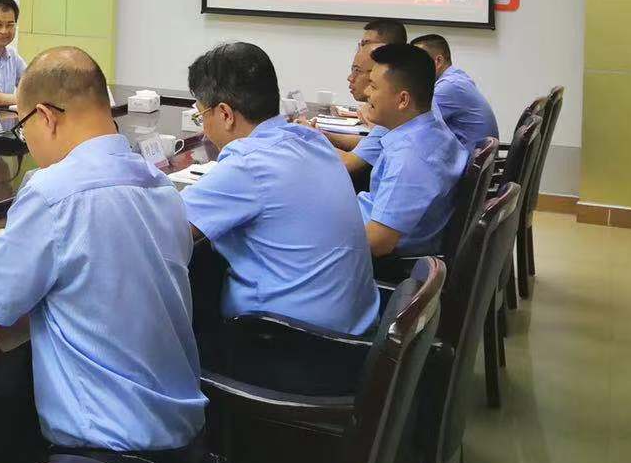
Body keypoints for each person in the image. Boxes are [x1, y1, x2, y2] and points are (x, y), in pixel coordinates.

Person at [0, 48, 218, 463]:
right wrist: (19, 241)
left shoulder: (53, 192)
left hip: (104, 455)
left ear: (45, 116)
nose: (27, 140)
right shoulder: (159, 185)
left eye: (23, 127)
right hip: (184, 444)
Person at [180, 43, 378, 335]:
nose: (204, 129)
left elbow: (165, 227)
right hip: (357, 323)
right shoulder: (312, 140)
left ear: (225, 114)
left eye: (201, 116)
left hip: (295, 342)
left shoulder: (249, 165)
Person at [357, 43, 468, 258]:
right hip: (366, 219)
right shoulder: (431, 127)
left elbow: (377, 243)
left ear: (403, 100)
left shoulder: (410, 158)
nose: (366, 92)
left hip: (381, 259)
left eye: (373, 86)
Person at [411, 33, 499, 152]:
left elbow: (412, 125)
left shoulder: (449, 86)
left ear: (438, 61)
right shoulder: (457, 78)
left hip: (468, 159)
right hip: (474, 156)